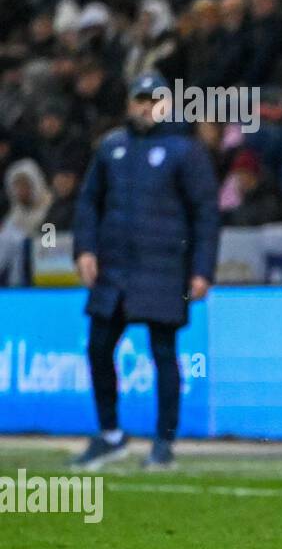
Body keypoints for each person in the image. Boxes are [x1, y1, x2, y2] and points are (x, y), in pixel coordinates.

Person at [71, 73, 220, 470]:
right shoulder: (112, 147)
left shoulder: (185, 151)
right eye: (140, 99)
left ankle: (164, 442)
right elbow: (88, 203)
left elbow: (205, 214)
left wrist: (202, 269)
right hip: (115, 269)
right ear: (129, 103)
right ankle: (110, 435)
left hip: (164, 268)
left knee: (163, 353)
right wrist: (84, 249)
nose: (147, 107)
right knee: (98, 347)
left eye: (155, 100)